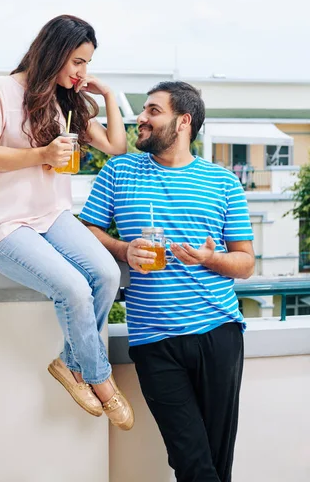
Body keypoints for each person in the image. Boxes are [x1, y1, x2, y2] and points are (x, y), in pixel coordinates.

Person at [80, 81, 255, 480]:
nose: (141, 118)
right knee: (191, 460)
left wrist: (212, 259)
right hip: (154, 341)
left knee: (216, 461)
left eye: (153, 111)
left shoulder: (223, 182)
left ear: (183, 122)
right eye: (144, 110)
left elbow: (246, 264)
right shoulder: (118, 171)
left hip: (220, 332)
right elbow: (86, 230)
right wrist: (124, 250)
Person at [0, 15, 134, 430]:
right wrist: (40, 155)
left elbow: (116, 147)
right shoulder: (1, 90)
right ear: (55, 51)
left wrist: (109, 95)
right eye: (77, 61)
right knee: (75, 288)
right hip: (4, 225)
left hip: (52, 215)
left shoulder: (67, 100)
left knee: (106, 274)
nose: (82, 72)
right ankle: (99, 380)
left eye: (87, 64)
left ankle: (70, 363)